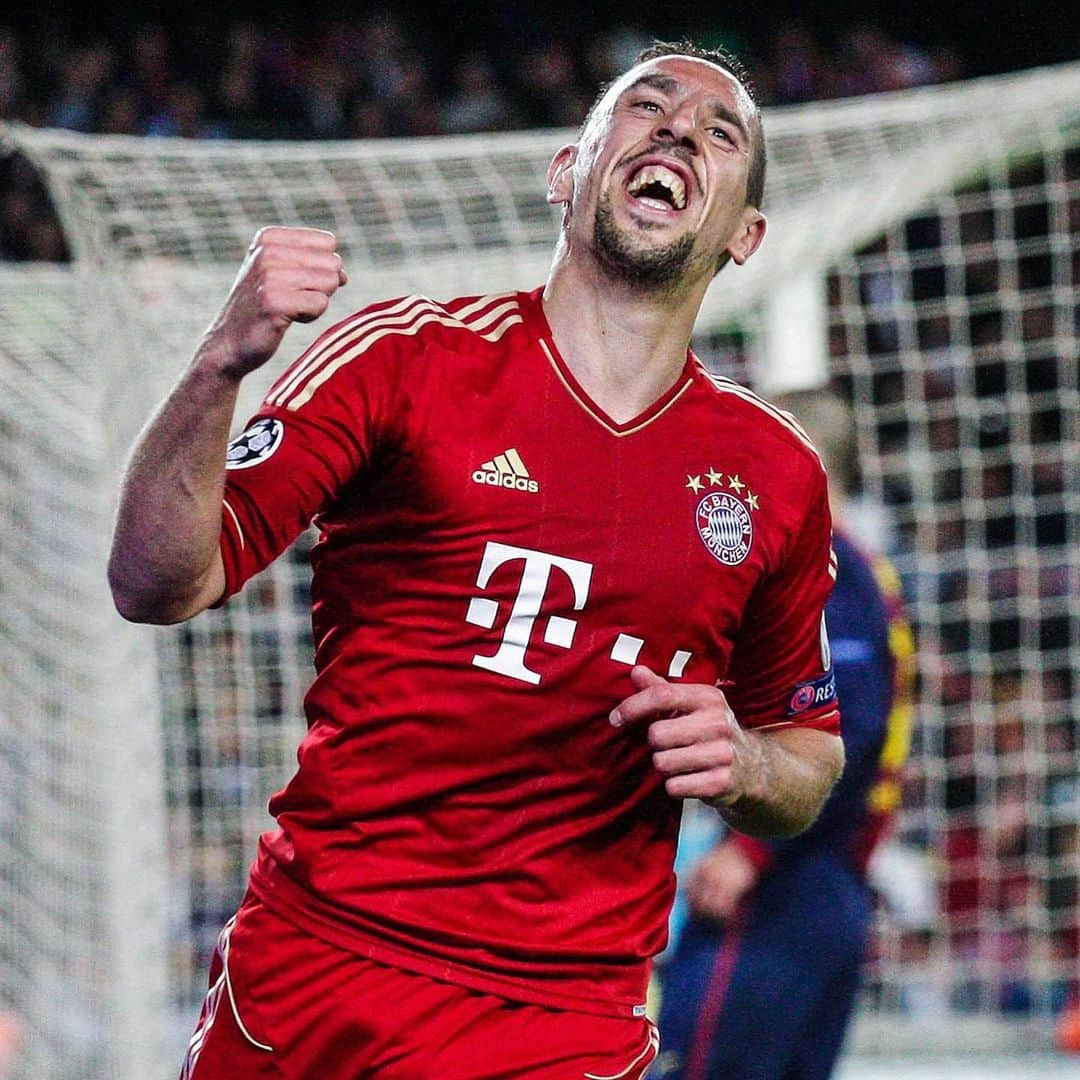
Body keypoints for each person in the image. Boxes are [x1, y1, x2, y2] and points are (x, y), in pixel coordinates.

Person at [109, 40, 846, 1079]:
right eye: (646, 105)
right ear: (565, 172)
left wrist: (748, 764)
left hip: (562, 1017)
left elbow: (806, 753)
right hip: (321, 971)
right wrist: (219, 361)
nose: (679, 127)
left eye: (721, 131)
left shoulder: (775, 476)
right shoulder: (404, 357)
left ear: (746, 234)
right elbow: (155, 582)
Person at [652, 388, 914, 1080]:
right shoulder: (864, 567)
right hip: (824, 876)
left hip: (792, 874)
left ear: (809, 460)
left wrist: (749, 855)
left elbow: (844, 725)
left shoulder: (829, 563)